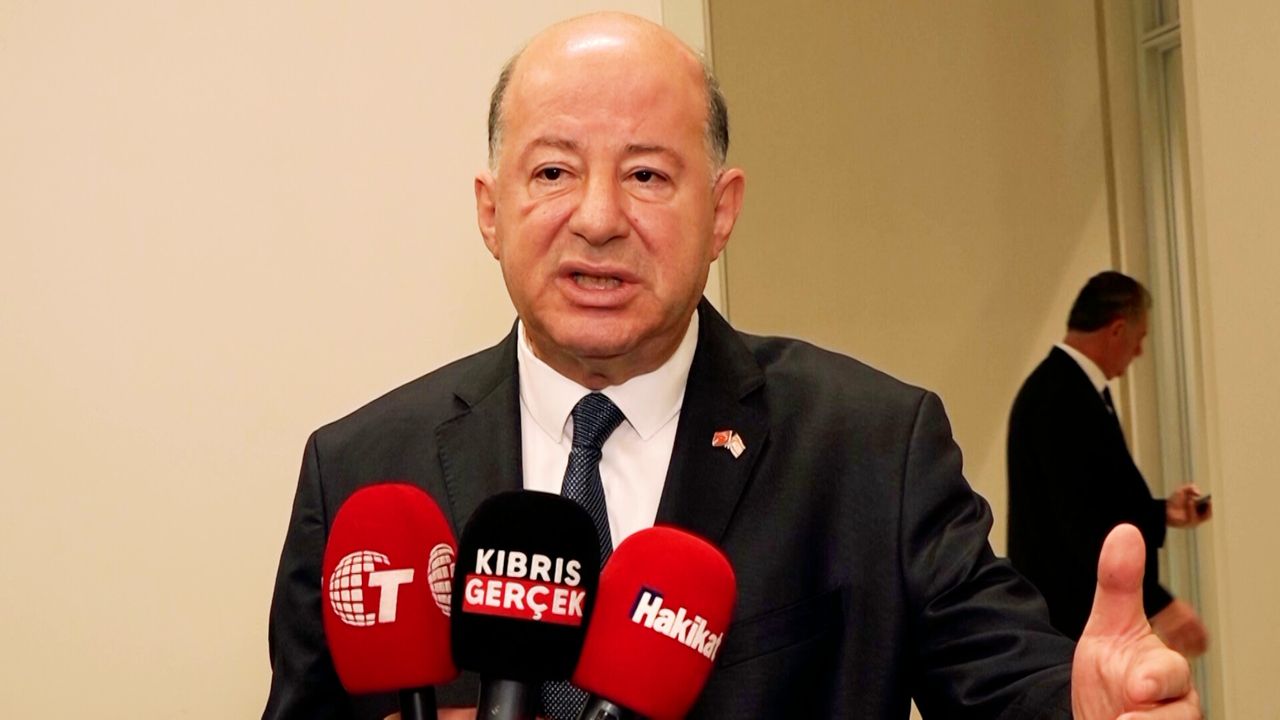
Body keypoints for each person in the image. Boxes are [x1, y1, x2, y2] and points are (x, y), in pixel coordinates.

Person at [264, 13, 1200, 719]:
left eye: (646, 174)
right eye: (552, 172)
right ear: (490, 210)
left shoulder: (869, 448)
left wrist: (1085, 706)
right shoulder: (360, 473)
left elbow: (1005, 674)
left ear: (721, 213)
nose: (598, 218)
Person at [1006, 271, 1211, 659]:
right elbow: (1079, 522)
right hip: (1070, 625)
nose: (1139, 352)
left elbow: (1097, 495)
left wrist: (1163, 512)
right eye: (1140, 338)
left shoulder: (1071, 387)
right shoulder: (1059, 396)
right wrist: (1160, 604)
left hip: (1080, 622)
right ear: (1117, 330)